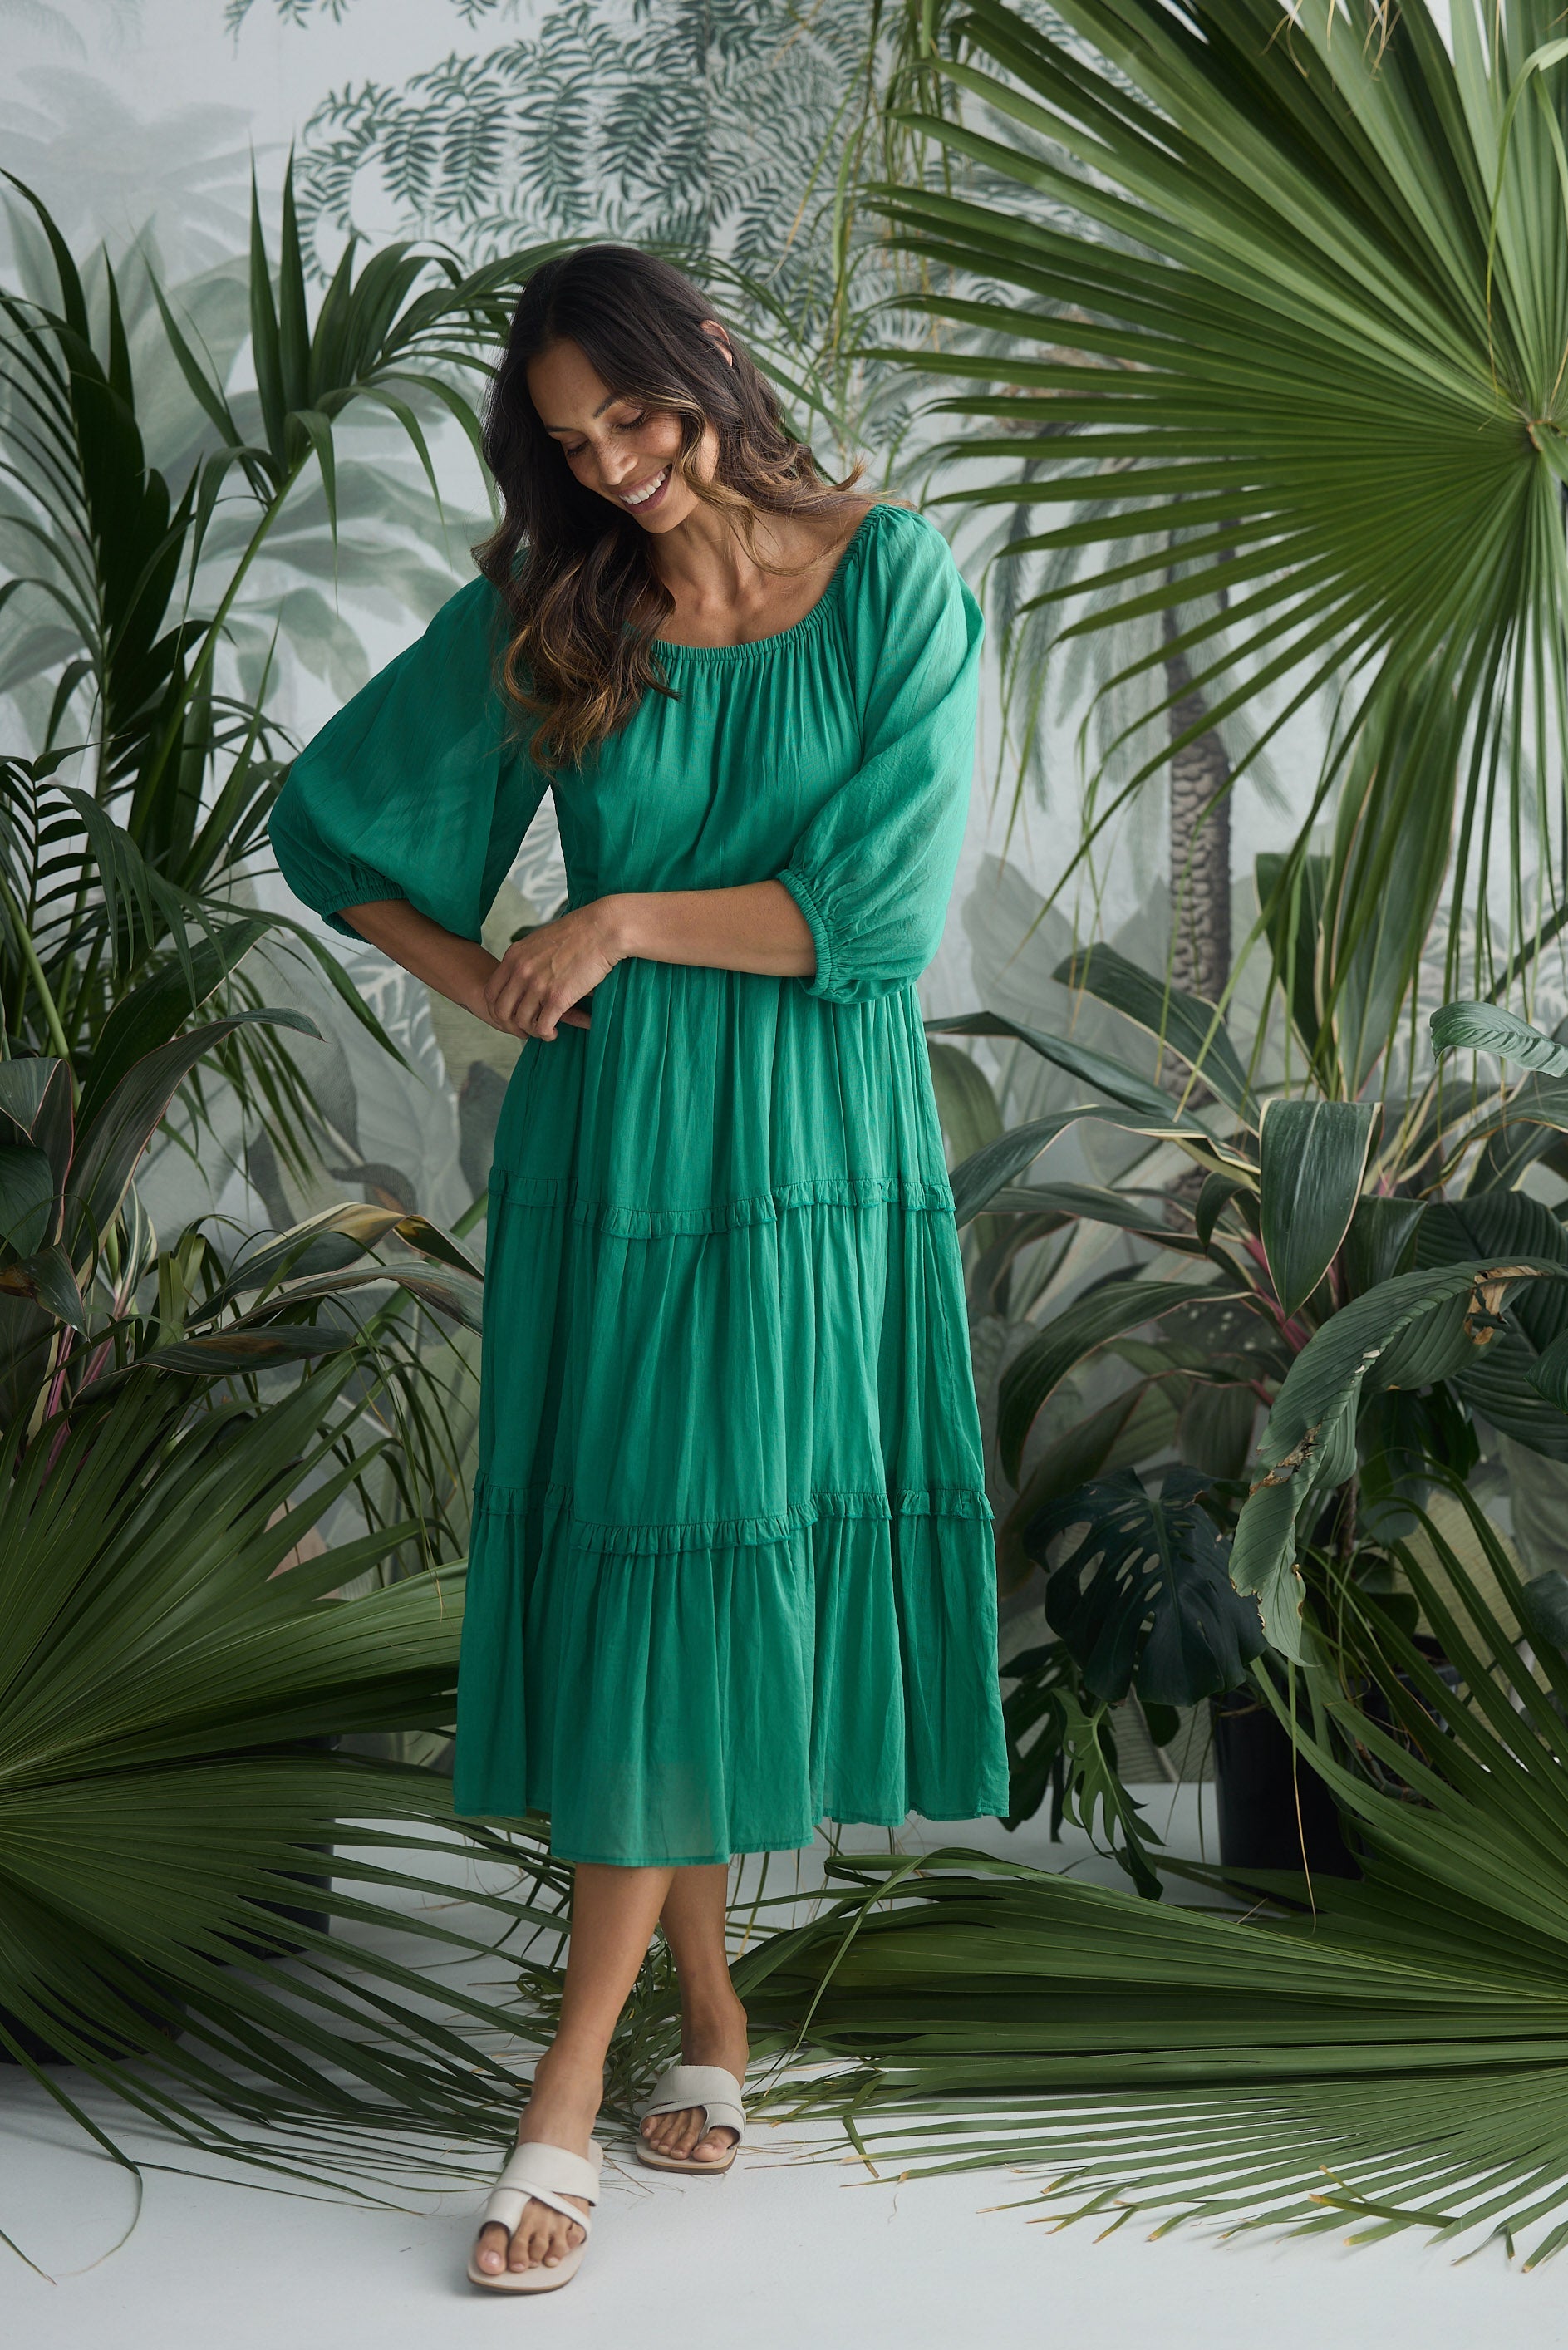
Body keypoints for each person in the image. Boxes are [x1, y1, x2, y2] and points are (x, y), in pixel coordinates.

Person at [267, 243, 1010, 2294]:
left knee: (720, 1545)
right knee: (651, 1563)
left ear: (709, 371)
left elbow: (865, 912)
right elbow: (332, 833)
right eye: (578, 448)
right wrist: (496, 983)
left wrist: (609, 926)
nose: (622, 470)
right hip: (615, 1149)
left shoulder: (894, 578)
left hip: (812, 1147)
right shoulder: (562, 602)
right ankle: (692, 2024)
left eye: (642, 419)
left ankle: (571, 2088)